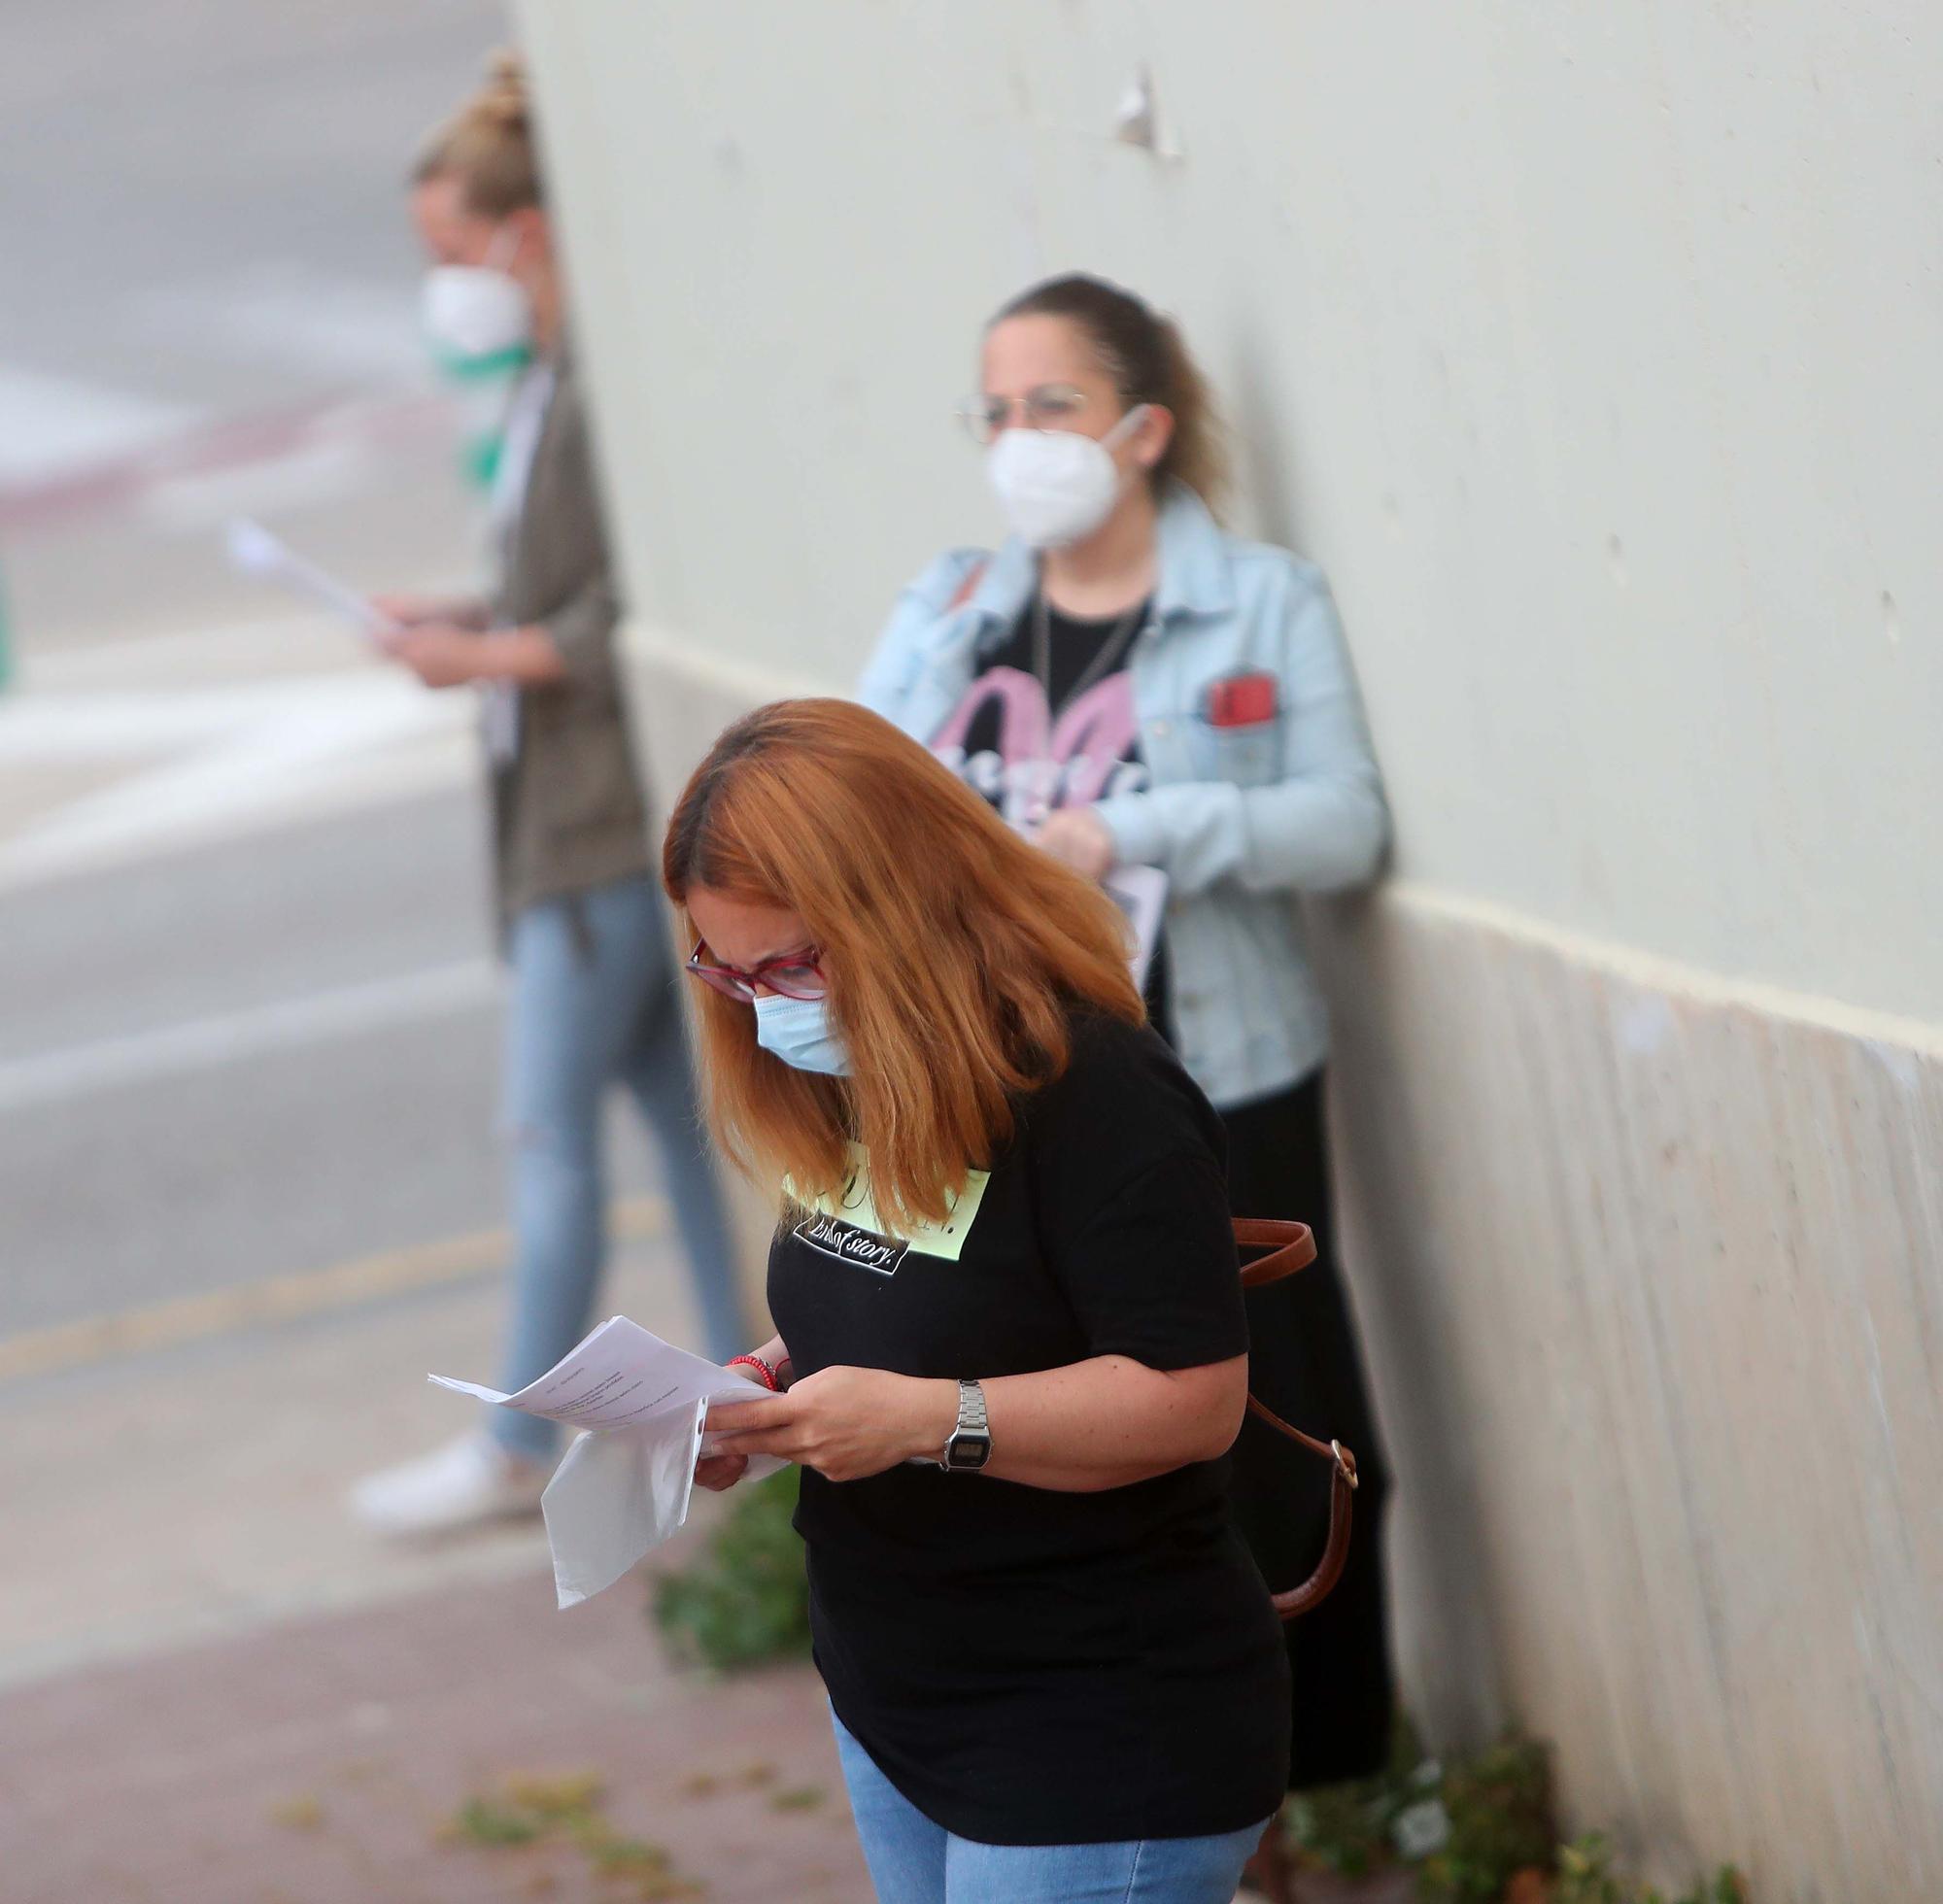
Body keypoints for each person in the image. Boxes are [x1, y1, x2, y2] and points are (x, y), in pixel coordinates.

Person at [858, 273, 1397, 1822]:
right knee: (1059, 1431)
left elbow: (1344, 822)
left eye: (1056, 407)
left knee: (1279, 1427)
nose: (1022, 440)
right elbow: (854, 782)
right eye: (999, 412)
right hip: (1003, 1086)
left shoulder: (1261, 600)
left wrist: (1140, 827)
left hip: (1217, 1068)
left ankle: (1323, 1780)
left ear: (1144, 429)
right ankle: (1114, 1760)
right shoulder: (956, 603)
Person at [673, 699, 1289, 1904]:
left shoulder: (1094, 1086)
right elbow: (904, 1291)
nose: (761, 1006)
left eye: (789, 963)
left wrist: (922, 1419)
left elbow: (1192, 1396)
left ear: (898, 910)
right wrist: (759, 1388)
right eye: (724, 969)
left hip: (1092, 1724)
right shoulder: (857, 1061)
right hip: (895, 1696)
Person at [351, 53, 748, 1536]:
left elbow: (606, 613)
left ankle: (520, 1440)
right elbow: (552, 588)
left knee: (545, 1132)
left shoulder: (588, 393)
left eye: (457, 254)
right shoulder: (545, 386)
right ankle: (739, 1412)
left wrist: (489, 653)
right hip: (567, 814)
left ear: (527, 235)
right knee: (683, 1133)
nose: (448, 289)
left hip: (588, 829)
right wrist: (460, 618)